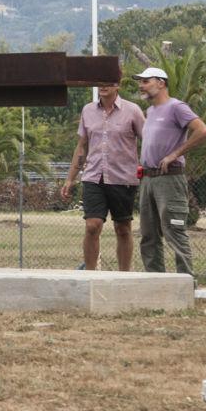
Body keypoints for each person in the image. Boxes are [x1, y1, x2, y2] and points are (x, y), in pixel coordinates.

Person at [132, 67, 206, 275]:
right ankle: (155, 281)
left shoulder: (177, 107)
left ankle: (186, 282)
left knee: (174, 231)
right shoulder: (149, 112)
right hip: (148, 179)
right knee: (149, 236)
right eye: (140, 81)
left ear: (161, 83)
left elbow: (203, 131)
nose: (141, 85)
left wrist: (175, 154)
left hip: (170, 179)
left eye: (145, 81)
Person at [61, 81, 144, 271]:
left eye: (109, 83)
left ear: (118, 86)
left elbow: (147, 139)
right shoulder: (88, 110)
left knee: (123, 228)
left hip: (123, 178)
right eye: (100, 83)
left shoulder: (133, 111)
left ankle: (124, 275)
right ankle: (91, 275)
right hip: (93, 177)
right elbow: (82, 146)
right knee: (92, 225)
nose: (103, 86)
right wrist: (70, 178)